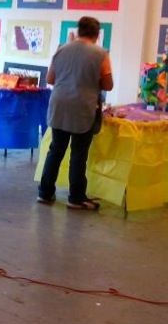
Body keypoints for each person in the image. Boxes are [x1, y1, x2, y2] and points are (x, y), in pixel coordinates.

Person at [38, 16, 113, 210]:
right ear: (96, 34)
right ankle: (76, 198)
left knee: (56, 150)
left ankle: (45, 193)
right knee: (79, 153)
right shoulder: (101, 54)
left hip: (59, 105)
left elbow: (50, 79)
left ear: (79, 31)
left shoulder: (61, 50)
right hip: (83, 107)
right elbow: (108, 85)